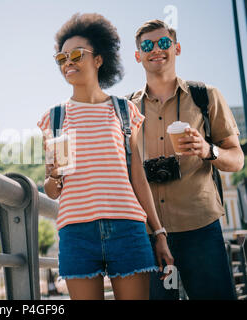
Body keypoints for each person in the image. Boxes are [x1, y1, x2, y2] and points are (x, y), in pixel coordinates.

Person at [36, 13, 173, 300]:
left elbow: (138, 177)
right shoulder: (54, 118)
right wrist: (53, 175)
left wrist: (158, 233)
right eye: (61, 58)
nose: (68, 62)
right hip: (76, 233)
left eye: (76, 54)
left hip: (128, 229)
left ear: (99, 59)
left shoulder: (124, 111)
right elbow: (51, 190)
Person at [130, 19, 244, 300]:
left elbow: (237, 159)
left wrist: (208, 150)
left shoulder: (205, 97)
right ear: (138, 56)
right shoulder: (127, 109)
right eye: (147, 45)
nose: (156, 49)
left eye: (164, 43)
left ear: (177, 48)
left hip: (201, 229)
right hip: (149, 236)